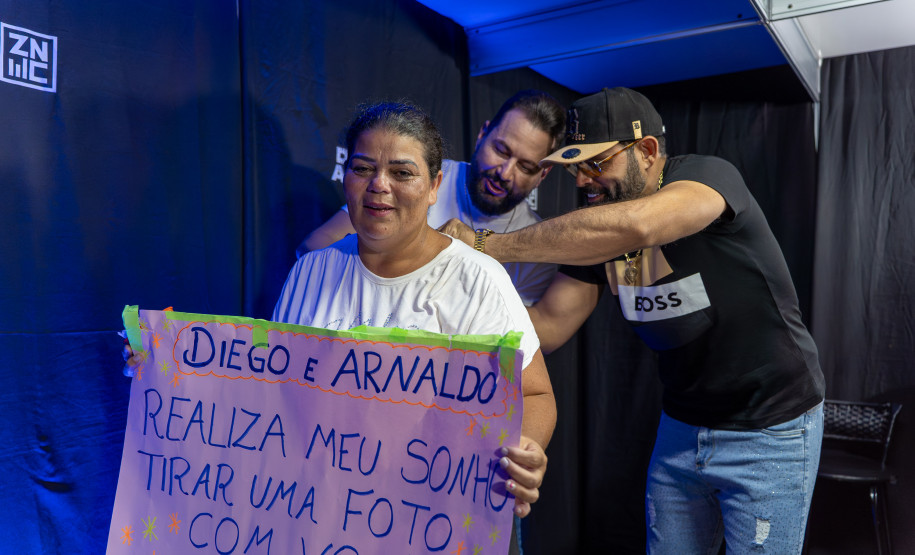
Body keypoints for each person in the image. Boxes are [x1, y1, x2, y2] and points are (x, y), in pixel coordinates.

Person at [440, 87, 825, 554]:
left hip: (770, 429)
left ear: (646, 150)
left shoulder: (704, 178)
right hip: (683, 426)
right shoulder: (595, 228)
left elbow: (640, 225)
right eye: (575, 167)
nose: (583, 181)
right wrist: (439, 316)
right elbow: (548, 326)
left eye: (597, 164)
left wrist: (482, 244)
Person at [273, 101, 556, 554]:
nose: (379, 186)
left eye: (402, 173)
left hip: (441, 521)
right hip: (329, 517)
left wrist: (525, 451)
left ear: (433, 186)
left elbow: (536, 393)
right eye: (363, 167)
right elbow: (270, 387)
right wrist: (165, 365)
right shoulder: (310, 272)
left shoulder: (477, 278)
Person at [297, 90, 565, 306]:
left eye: (526, 167)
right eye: (501, 151)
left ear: (544, 175)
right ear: (482, 136)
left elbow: (523, 339)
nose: (505, 173)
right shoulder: (415, 175)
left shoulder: (536, 243)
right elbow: (315, 246)